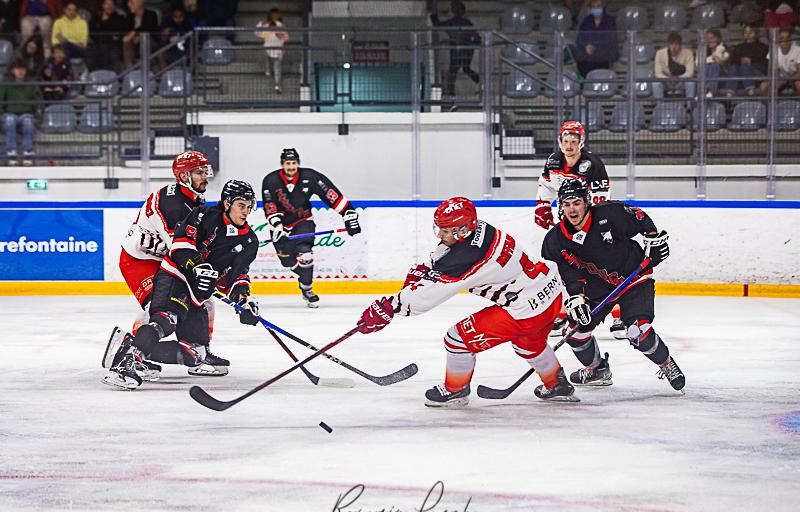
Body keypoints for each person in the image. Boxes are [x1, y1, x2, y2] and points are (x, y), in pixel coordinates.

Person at [356, 197, 578, 407]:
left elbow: (424, 298)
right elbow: (442, 256)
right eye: (439, 229)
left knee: (457, 339)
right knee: (529, 343)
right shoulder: (479, 229)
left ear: (462, 230)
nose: (440, 235)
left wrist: (389, 307)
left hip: (524, 309)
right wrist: (423, 271)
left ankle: (456, 390)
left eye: (445, 230)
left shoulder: (467, 256)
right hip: (549, 293)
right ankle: (557, 384)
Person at [103, 179, 261, 390]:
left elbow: (236, 276)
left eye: (250, 206)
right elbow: (180, 245)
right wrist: (197, 266)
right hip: (176, 276)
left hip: (198, 292)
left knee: (196, 354)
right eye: (241, 205)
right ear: (226, 203)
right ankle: (126, 363)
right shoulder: (203, 215)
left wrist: (244, 301)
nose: (246, 211)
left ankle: (130, 345)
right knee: (166, 320)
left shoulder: (250, 241)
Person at [541, 179, 685, 392]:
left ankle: (666, 364)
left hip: (633, 280)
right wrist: (576, 298)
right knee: (575, 332)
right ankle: (597, 369)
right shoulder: (555, 240)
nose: (572, 209)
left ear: (586, 202)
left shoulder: (611, 214)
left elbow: (641, 219)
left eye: (577, 203)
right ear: (560, 206)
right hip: (597, 291)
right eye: (567, 203)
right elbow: (569, 274)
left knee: (638, 332)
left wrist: (652, 242)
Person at [105, 150, 232, 380]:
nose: (205, 176)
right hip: (140, 260)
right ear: (184, 176)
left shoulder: (193, 197)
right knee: (162, 308)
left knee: (205, 300)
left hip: (166, 258)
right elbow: (181, 250)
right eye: (199, 172)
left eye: (206, 171)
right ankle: (131, 350)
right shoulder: (172, 205)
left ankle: (200, 350)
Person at [533, 121, 623, 339]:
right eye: (566, 141)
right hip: (565, 222)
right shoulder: (553, 161)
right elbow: (546, 185)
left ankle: (621, 315)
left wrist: (595, 224)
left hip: (589, 223)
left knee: (604, 266)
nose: (569, 145)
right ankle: (565, 312)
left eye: (574, 141)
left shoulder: (593, 164)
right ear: (560, 141)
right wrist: (543, 205)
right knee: (566, 265)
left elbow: (601, 198)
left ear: (581, 142)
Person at [261, 148, 361, 308]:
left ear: (298, 163)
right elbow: (269, 205)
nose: (291, 167)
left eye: (294, 163)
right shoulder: (271, 180)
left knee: (305, 254)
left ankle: (307, 289)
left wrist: (347, 213)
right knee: (287, 261)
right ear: (282, 164)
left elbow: (329, 193)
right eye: (288, 163)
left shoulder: (309, 176)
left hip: (303, 221)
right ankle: (304, 277)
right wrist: (277, 225)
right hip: (279, 226)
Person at [430, 0, 480, 100]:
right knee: (466, 68)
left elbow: (437, 25)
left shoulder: (451, 22)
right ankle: (480, 82)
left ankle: (451, 98)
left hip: (456, 50)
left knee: (452, 74)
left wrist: (433, 14)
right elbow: (477, 37)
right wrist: (473, 44)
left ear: (453, 10)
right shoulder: (467, 22)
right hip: (468, 49)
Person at [1, 61, 41, 167]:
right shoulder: (6, 83)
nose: (20, 71)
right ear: (13, 71)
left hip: (26, 114)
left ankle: (28, 153)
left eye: (22, 69)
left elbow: (39, 102)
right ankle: (11, 153)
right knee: (10, 120)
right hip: (9, 114)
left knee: (28, 121)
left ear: (26, 71)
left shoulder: (31, 84)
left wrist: (38, 117)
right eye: (18, 69)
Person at [574, 0, 618, 78]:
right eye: (593, 7)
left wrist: (596, 47)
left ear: (603, 7)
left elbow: (612, 42)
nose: (596, 9)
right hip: (587, 59)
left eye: (598, 6)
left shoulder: (610, 21)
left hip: (604, 58)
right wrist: (586, 46)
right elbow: (580, 39)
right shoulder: (586, 21)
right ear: (590, 9)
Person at [727, 24, 769, 97]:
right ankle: (730, 92)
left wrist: (751, 61)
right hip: (740, 76)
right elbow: (733, 61)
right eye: (746, 33)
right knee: (734, 67)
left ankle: (750, 89)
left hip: (756, 75)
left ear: (756, 33)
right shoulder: (738, 47)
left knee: (744, 67)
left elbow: (764, 63)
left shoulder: (762, 47)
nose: (748, 35)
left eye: (751, 32)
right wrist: (741, 61)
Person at [653, 32, 696, 99]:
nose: (674, 47)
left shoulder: (688, 53)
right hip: (666, 81)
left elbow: (690, 72)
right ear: (668, 45)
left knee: (690, 83)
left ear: (680, 45)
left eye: (676, 44)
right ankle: (660, 107)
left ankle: (690, 107)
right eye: (671, 44)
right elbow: (658, 73)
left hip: (681, 81)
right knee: (656, 83)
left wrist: (678, 78)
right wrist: (668, 79)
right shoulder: (660, 53)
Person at [256, 7, 289, 94]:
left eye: (276, 15)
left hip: (277, 50)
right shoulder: (267, 26)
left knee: (277, 67)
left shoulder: (281, 26)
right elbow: (259, 33)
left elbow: (285, 37)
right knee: (269, 59)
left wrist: (279, 35)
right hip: (269, 49)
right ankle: (269, 71)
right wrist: (260, 26)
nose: (274, 17)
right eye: (273, 15)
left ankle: (277, 85)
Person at [87, 0, 127, 71]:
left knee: (113, 55)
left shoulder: (120, 18)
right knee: (89, 52)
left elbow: (119, 33)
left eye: (111, 4)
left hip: (114, 46)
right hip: (97, 45)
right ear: (103, 6)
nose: (109, 6)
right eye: (107, 4)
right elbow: (92, 33)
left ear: (115, 6)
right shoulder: (96, 18)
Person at [760, 28, 800, 96]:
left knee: (799, 85)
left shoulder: (798, 50)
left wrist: (787, 79)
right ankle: (768, 106)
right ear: (778, 40)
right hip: (780, 78)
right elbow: (771, 71)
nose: (785, 40)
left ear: (791, 39)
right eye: (782, 38)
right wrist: (779, 79)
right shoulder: (774, 51)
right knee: (763, 86)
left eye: (787, 38)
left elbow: (799, 73)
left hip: (794, 78)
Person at [121, 0, 159, 68]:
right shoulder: (129, 17)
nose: (129, 5)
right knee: (126, 41)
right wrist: (133, 36)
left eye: (131, 2)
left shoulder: (151, 14)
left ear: (140, 2)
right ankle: (129, 69)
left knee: (143, 38)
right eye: (128, 3)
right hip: (133, 43)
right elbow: (126, 31)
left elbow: (149, 27)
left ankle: (145, 68)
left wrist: (135, 32)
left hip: (151, 42)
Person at [702, 28, 731, 98]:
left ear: (718, 39)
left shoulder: (724, 49)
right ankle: (703, 91)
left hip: (722, 78)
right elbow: (700, 64)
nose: (709, 41)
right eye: (707, 38)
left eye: (712, 38)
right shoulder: (704, 50)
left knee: (714, 65)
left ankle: (711, 91)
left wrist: (718, 61)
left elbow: (723, 63)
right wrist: (712, 58)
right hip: (708, 77)